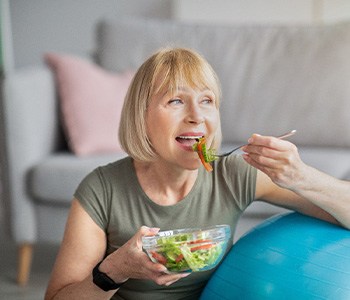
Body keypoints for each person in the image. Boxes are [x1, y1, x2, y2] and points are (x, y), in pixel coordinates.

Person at [45, 47, 350, 300]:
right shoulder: (101, 189)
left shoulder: (232, 173)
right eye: (176, 100)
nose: (197, 116)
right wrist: (116, 270)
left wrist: (301, 177)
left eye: (207, 101)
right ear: (141, 116)